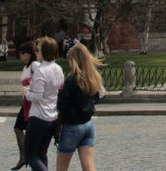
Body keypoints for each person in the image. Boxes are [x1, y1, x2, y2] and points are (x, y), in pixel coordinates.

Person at [56, 43, 104, 171]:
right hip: (88, 125)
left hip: (72, 126)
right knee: (89, 166)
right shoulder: (92, 78)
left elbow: (62, 105)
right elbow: (97, 98)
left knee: (61, 167)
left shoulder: (71, 81)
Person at [24, 36, 64, 171]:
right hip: (52, 116)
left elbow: (37, 97)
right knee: (41, 153)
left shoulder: (41, 71)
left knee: (30, 155)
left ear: (45, 52)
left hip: (38, 116)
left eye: (38, 50)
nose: (36, 53)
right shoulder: (58, 68)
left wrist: (26, 92)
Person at [11, 40, 39, 170]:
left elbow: (39, 80)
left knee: (24, 129)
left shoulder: (34, 65)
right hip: (26, 101)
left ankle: (28, 156)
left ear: (28, 54)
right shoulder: (26, 66)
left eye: (22, 53)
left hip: (32, 102)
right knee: (18, 128)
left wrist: (29, 87)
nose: (20, 56)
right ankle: (24, 156)